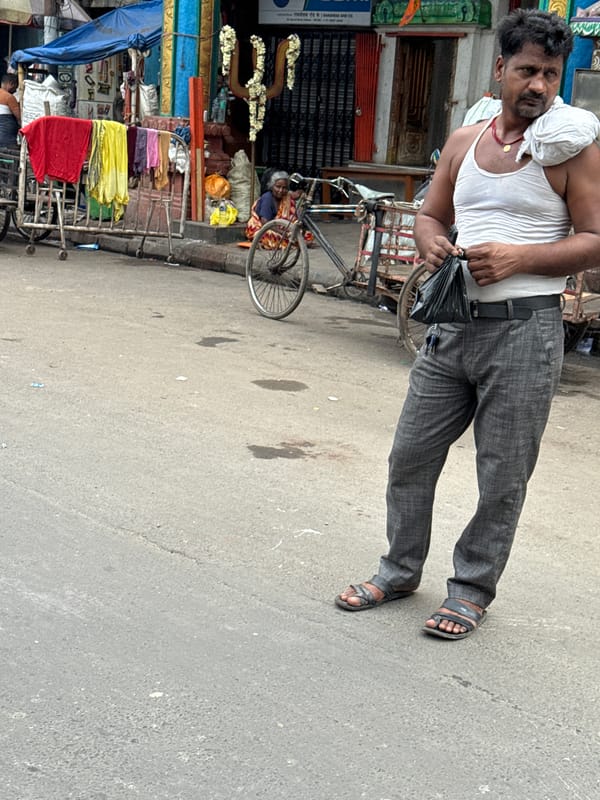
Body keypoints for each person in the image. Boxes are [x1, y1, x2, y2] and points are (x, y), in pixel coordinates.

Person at [335, 9, 600, 639]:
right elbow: (431, 214)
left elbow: (595, 238)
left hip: (526, 331)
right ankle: (399, 569)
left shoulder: (569, 149)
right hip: (452, 325)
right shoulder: (464, 142)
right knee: (410, 456)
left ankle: (471, 589)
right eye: (527, 70)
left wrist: (520, 257)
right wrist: (430, 242)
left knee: (502, 473)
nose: (538, 85)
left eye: (551, 74)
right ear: (500, 69)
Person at [245, 169, 296, 240]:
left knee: (303, 234)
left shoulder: (286, 198)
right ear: (272, 186)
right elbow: (265, 223)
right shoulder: (267, 198)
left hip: (279, 229)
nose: (281, 190)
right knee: (270, 236)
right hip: (261, 228)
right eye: (278, 187)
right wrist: (282, 233)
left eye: (284, 188)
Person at [0, 73, 20, 149]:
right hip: (7, 139)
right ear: (11, 83)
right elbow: (19, 117)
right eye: (15, 87)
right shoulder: (9, 97)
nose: (15, 91)